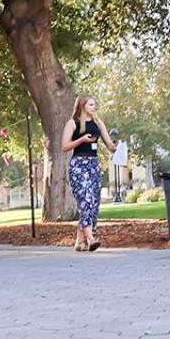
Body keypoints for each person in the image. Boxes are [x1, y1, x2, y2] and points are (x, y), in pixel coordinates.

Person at [62, 97, 116, 252]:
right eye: (91, 104)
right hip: (78, 165)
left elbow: (109, 145)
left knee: (94, 203)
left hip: (93, 165)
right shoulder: (73, 123)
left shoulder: (98, 123)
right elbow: (64, 146)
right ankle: (91, 239)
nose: (94, 107)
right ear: (83, 106)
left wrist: (116, 147)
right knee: (85, 200)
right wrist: (81, 140)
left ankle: (79, 242)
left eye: (94, 104)